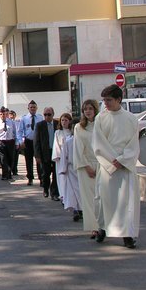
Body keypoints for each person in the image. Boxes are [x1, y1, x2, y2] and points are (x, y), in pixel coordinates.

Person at [92, 84, 140, 249]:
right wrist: (112, 161)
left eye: (109, 100)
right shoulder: (100, 118)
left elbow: (134, 143)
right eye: (104, 100)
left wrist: (124, 159)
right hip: (107, 166)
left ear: (119, 99)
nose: (105, 103)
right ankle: (103, 229)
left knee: (125, 204)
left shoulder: (131, 119)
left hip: (124, 167)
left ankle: (127, 235)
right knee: (103, 201)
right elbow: (98, 143)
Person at [73, 99, 100, 239]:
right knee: (89, 199)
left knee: (102, 197)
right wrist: (87, 166)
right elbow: (78, 149)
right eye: (85, 109)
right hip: (85, 166)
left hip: (101, 164)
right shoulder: (79, 127)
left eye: (90, 108)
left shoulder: (101, 125)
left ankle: (103, 224)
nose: (88, 111)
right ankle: (93, 227)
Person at [52, 114, 82, 221]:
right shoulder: (66, 139)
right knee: (71, 191)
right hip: (68, 167)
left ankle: (82, 209)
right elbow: (62, 153)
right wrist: (63, 167)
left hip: (81, 168)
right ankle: (75, 209)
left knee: (80, 190)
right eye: (62, 120)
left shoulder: (81, 139)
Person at [34, 107, 59, 200]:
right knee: (45, 173)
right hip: (45, 153)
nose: (47, 117)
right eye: (45, 115)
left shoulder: (57, 124)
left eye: (49, 114)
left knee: (56, 174)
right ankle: (45, 189)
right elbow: (36, 141)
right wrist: (37, 155)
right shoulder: (40, 125)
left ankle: (54, 193)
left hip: (56, 152)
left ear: (53, 114)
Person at [18, 100, 43, 186]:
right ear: (28, 108)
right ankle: (30, 178)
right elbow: (20, 131)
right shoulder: (24, 118)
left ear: (36, 108)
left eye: (34, 107)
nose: (32, 109)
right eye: (31, 107)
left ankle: (41, 178)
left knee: (39, 160)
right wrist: (21, 141)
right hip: (28, 141)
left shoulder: (40, 117)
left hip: (38, 142)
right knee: (28, 161)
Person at [0, 107, 17, 181]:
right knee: (3, 159)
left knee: (11, 158)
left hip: (10, 142)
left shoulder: (11, 122)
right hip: (1, 142)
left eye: (5, 114)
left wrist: (16, 142)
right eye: (1, 114)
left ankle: (9, 173)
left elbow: (15, 132)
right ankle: (5, 174)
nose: (3, 115)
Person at [51, 113, 72, 203]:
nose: (64, 122)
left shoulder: (72, 132)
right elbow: (56, 145)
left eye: (66, 120)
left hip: (70, 158)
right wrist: (59, 156)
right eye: (62, 120)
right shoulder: (58, 132)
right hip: (61, 158)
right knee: (61, 178)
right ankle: (63, 195)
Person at [9, 110, 20, 176]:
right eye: (10, 116)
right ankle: (10, 169)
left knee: (16, 157)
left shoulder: (18, 123)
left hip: (16, 142)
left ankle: (15, 170)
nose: (12, 117)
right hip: (10, 142)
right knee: (10, 157)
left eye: (13, 115)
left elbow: (19, 133)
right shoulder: (8, 123)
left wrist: (18, 142)